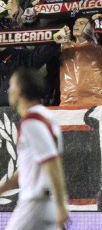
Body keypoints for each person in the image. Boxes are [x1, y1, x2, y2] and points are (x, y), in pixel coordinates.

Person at [0, 68, 69, 230]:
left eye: (11, 85)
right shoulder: (45, 117)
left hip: (35, 202)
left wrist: (61, 205)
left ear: (21, 90)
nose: (9, 90)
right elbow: (31, 166)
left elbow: (52, 163)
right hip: (45, 202)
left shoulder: (32, 122)